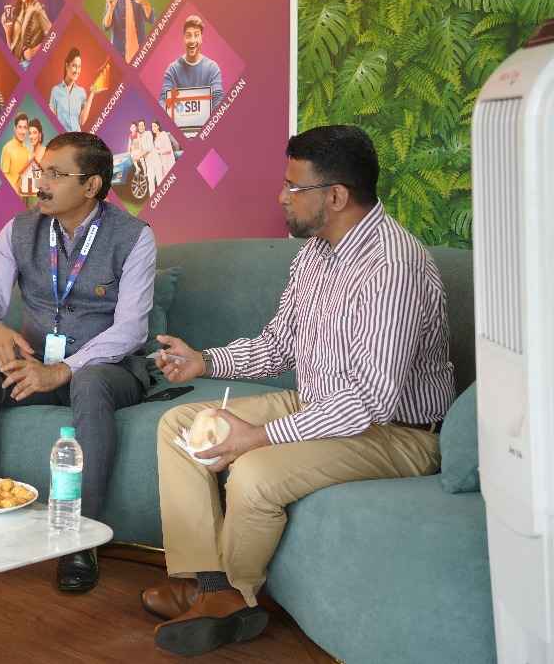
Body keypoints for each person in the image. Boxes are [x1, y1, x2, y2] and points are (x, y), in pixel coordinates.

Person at [142, 125, 454, 657]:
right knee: (179, 426)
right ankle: (207, 585)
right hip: (319, 403)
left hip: (397, 431)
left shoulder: (392, 266)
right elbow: (278, 346)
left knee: (258, 470)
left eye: (294, 187)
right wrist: (205, 359)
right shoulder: (315, 253)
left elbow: (370, 399)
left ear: (335, 196)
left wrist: (259, 436)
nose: (281, 197)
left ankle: (234, 596)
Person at [0, 131, 156, 593]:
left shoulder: (134, 237)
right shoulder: (19, 230)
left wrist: (65, 369)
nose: (41, 183)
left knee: (90, 384)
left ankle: (78, 540)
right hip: (35, 361)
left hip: (108, 369)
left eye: (57, 174)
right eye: (43, 171)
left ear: (91, 186)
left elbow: (130, 331)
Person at [159, 15, 225, 112]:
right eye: (188, 35)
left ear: (201, 38)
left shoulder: (212, 68)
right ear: (184, 38)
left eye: (196, 35)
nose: (192, 40)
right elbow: (163, 101)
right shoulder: (172, 70)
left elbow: (218, 101)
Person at [2, 0, 52, 69]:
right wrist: (7, 31)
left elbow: (53, 36)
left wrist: (33, 52)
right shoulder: (19, 11)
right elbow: (11, 49)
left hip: (27, 65)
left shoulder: (38, 9)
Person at [49, 48, 91, 133]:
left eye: (79, 67)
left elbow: (82, 122)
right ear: (67, 66)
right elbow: (51, 122)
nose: (77, 71)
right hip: (62, 141)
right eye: (74, 66)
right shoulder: (55, 91)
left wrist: (92, 94)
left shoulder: (81, 92)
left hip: (77, 140)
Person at [0, 113, 32, 192]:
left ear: (27, 130)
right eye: (20, 127)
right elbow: (4, 175)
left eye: (25, 127)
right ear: (15, 128)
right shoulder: (7, 148)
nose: (22, 131)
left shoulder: (26, 151)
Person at [17, 119, 48, 198]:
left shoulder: (46, 152)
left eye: (34, 133)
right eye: (30, 133)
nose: (31, 136)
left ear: (40, 135)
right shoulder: (29, 155)